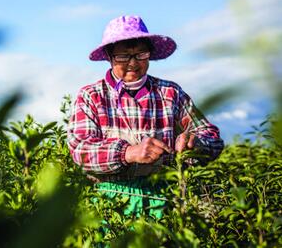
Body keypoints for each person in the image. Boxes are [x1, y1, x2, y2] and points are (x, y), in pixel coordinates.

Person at [67, 15, 224, 220]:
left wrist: (198, 143)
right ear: (109, 56)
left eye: (140, 54)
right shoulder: (91, 96)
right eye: (123, 56)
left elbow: (211, 136)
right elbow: (81, 150)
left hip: (167, 198)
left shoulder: (170, 93)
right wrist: (128, 153)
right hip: (111, 201)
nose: (133, 63)